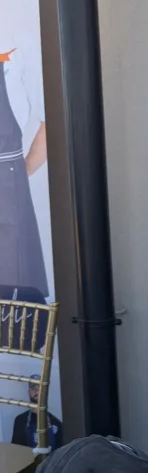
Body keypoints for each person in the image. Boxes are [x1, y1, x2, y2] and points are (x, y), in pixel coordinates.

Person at [0, 39, 48, 298]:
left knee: (12, 285)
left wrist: (24, 169)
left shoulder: (13, 57)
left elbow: (52, 121)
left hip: (6, 190)